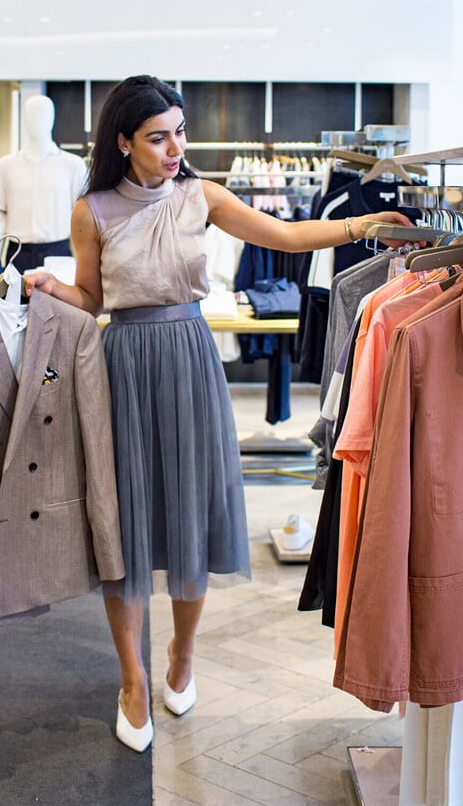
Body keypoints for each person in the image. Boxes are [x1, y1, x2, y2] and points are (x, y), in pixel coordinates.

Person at [24, 74, 413, 752]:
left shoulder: (199, 196)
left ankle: (182, 655)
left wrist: (365, 226)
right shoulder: (93, 210)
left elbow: (286, 236)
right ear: (124, 142)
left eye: (180, 132)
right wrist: (56, 287)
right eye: (159, 137)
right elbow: (92, 297)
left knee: (193, 513)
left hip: (191, 361)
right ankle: (132, 680)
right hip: (124, 366)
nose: (176, 147)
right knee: (124, 522)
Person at [0, 94, 88, 272]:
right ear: (24, 119)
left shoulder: (73, 165)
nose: (37, 120)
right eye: (31, 114)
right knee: (16, 291)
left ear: (52, 118)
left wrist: (83, 262)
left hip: (58, 252)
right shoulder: (5, 166)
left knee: (57, 292)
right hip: (17, 252)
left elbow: (81, 219)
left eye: (43, 114)